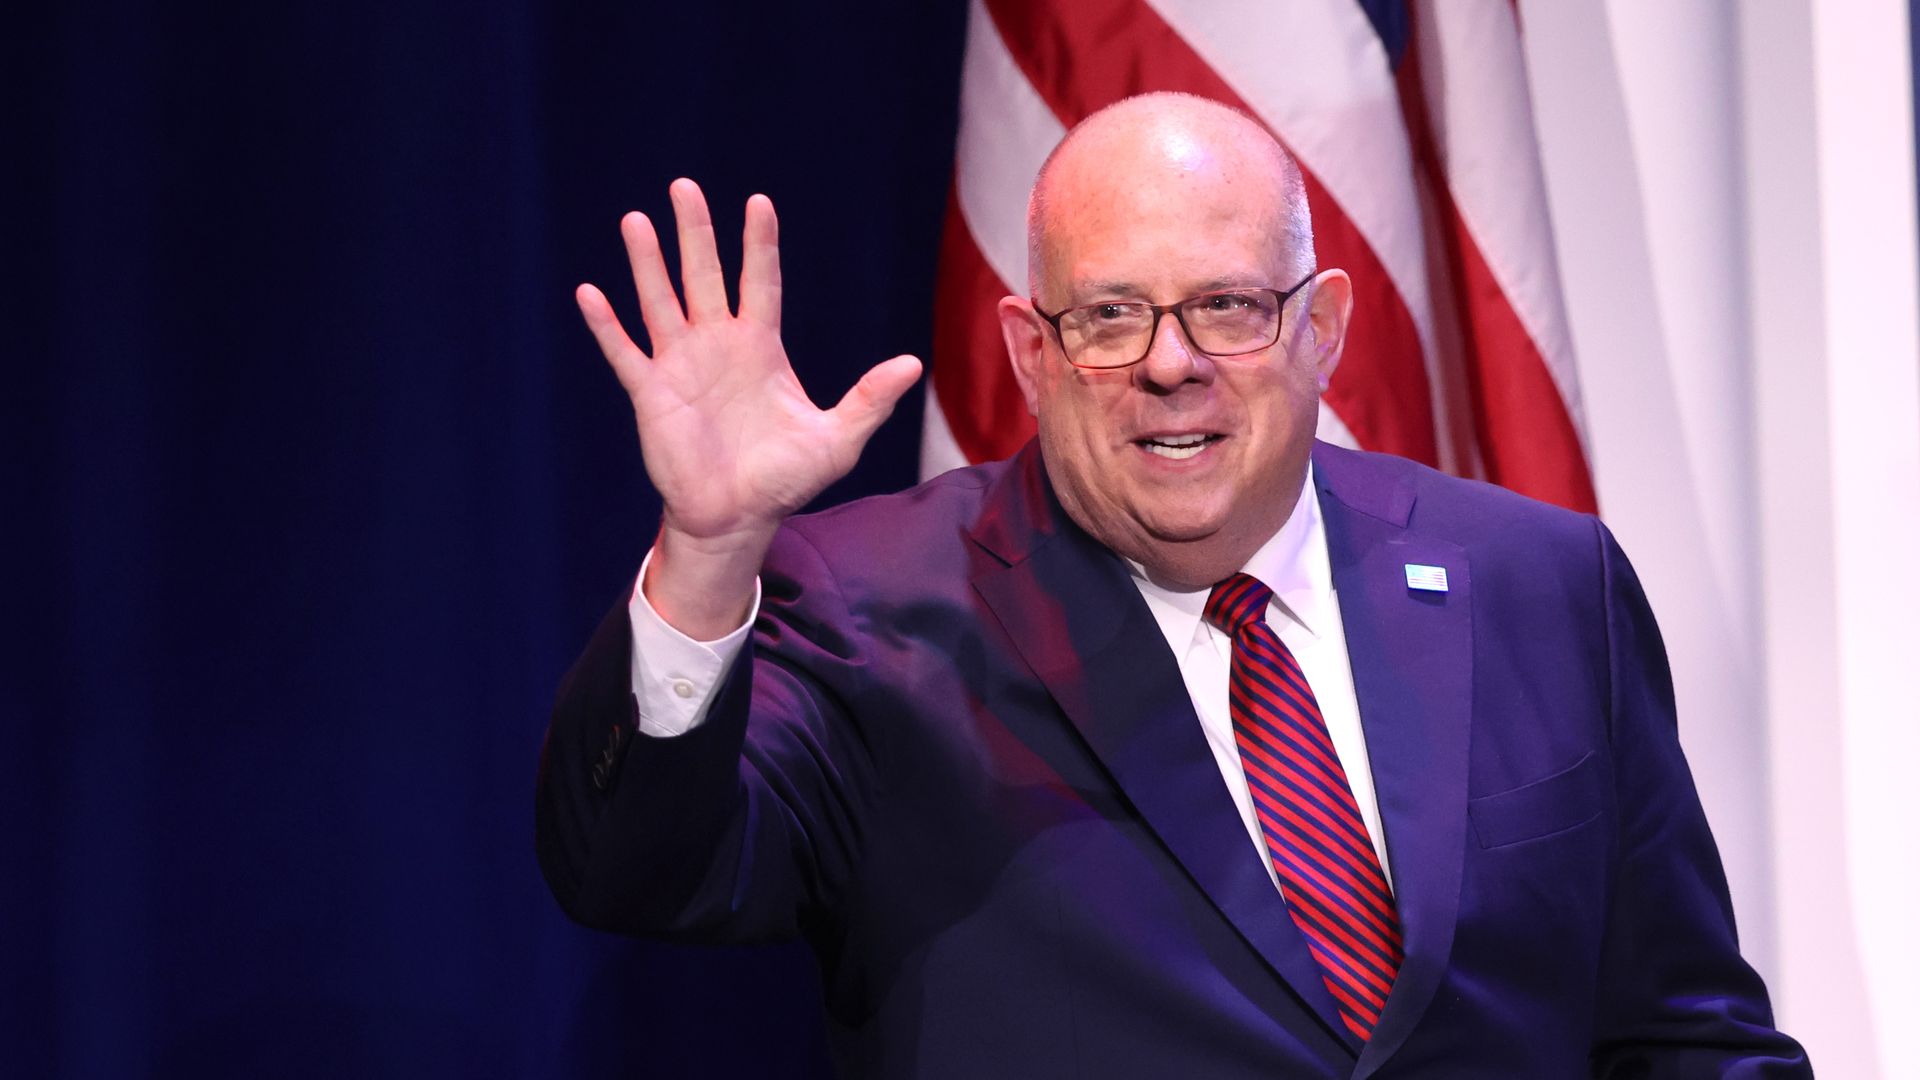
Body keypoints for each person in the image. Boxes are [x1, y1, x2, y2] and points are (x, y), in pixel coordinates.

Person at [536, 93, 1809, 1078]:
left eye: (1228, 307)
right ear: (1031, 353)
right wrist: (706, 552)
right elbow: (637, 874)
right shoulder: (872, 608)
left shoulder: (1538, 583)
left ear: (1324, 327)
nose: (1171, 365)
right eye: (1110, 317)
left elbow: (1684, 1032)